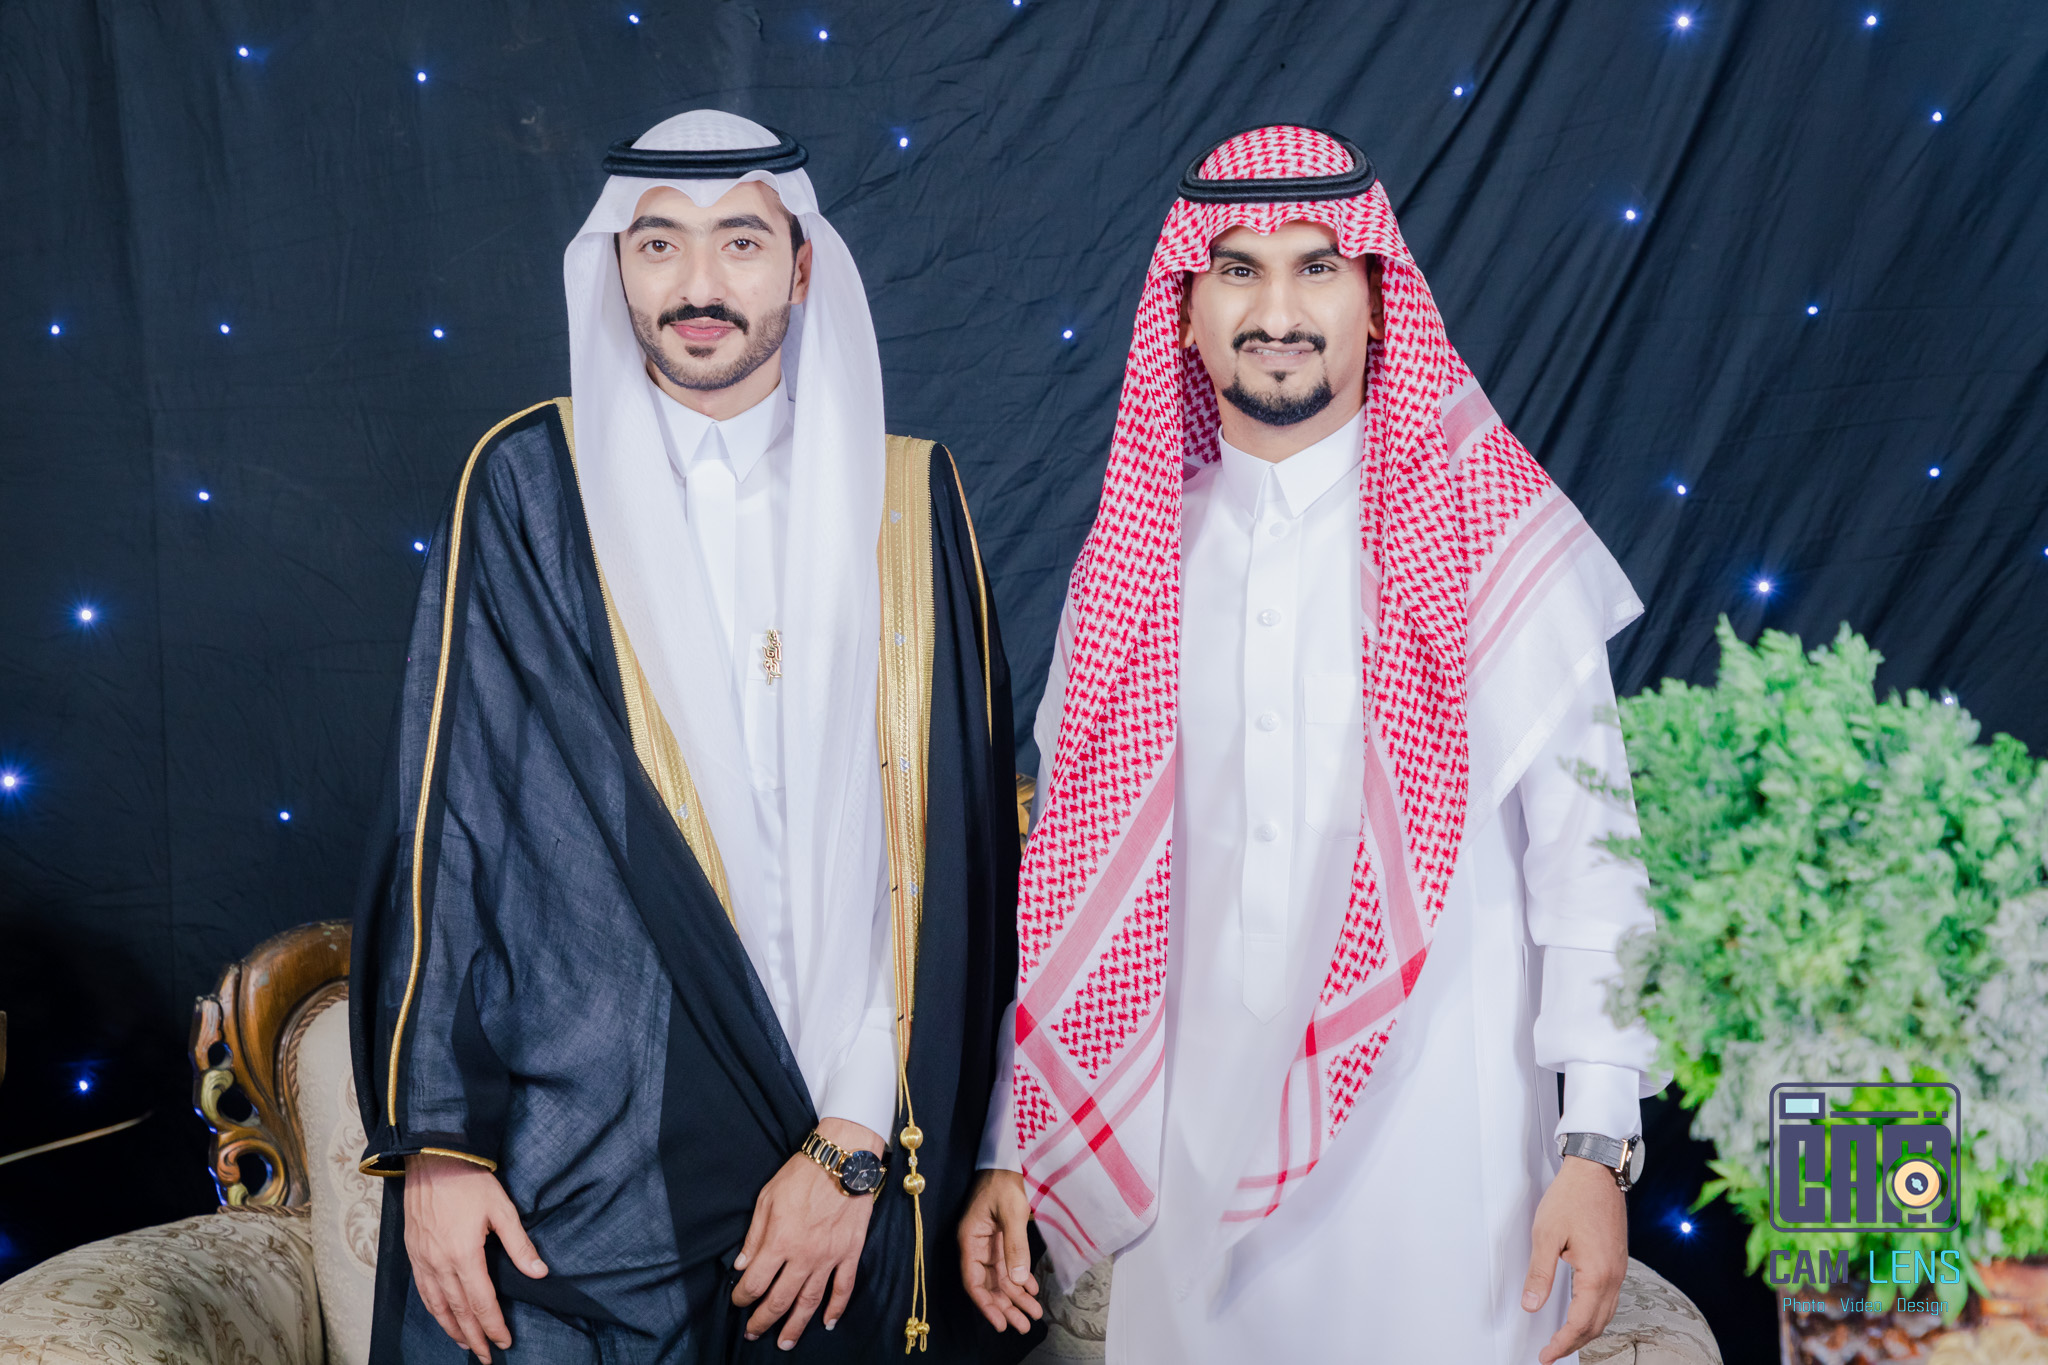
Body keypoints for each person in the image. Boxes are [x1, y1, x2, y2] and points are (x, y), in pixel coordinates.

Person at [958, 124, 1672, 1364]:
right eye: (1235, 269)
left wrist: (1596, 1146)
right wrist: (1008, 1143)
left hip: (1442, 1184)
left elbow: (1590, 874)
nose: (1276, 311)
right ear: (1184, 314)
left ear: (1377, 303)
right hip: (1186, 1188)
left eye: (1316, 268)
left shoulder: (1496, 548)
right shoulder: (1128, 570)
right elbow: (1066, 888)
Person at [350, 109, 1026, 1364]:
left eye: (740, 243)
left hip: (853, 1146)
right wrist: (439, 1146)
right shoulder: (531, 487)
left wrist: (855, 1136)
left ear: (802, 267)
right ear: (615, 265)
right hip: (595, 1157)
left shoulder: (907, 497)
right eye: (659, 244)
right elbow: (452, 823)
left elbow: (961, 858)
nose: (698, 285)